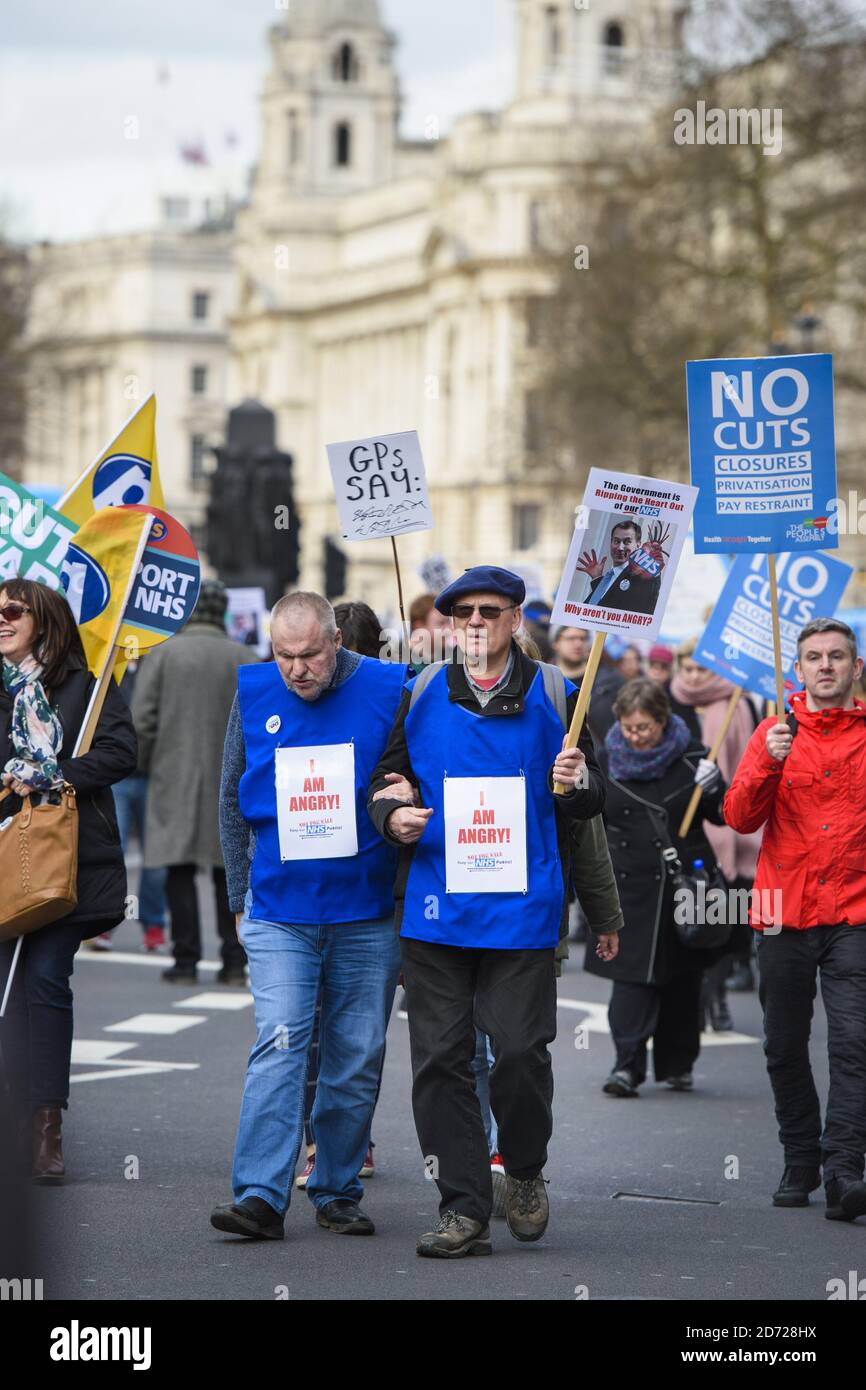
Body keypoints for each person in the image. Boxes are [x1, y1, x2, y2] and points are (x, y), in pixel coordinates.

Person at [368, 566, 608, 1258]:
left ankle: (525, 1170)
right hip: (435, 910)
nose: (473, 621)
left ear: (513, 621)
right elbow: (387, 778)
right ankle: (464, 1209)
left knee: (521, 1056)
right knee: (441, 1062)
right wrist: (394, 814)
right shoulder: (417, 692)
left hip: (522, 911)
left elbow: (591, 800)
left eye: (488, 610)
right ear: (447, 624)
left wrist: (577, 781)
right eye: (461, 612)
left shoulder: (558, 692)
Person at [211, 591, 405, 1241]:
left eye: (310, 655)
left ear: (337, 643)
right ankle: (261, 1196)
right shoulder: (255, 693)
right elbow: (230, 801)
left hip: (366, 909)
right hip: (279, 910)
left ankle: (336, 1188)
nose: (297, 670)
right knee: (281, 1041)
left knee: (355, 1054)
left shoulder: (389, 686)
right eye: (285, 655)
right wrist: (239, 898)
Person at [724, 617, 866, 1221]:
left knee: (854, 1043)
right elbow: (738, 818)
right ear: (798, 669)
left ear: (856, 668)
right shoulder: (772, 733)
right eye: (815, 657)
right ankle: (800, 1157)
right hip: (782, 913)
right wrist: (767, 763)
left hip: (854, 915)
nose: (826, 665)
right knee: (783, 1044)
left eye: (837, 656)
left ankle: (843, 1171)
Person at [0, 578, 137, 1182]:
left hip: (63, 862)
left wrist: (52, 775)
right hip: (3, 856)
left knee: (46, 982)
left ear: (44, 620)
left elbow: (120, 753)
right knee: (7, 993)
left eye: (11, 610)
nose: (0, 619)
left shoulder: (86, 686)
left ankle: (45, 1128)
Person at [585, 677, 727, 1098]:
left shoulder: (694, 759)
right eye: (629, 728)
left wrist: (716, 788)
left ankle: (678, 1064)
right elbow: (589, 815)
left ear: (663, 721)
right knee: (630, 981)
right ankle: (626, 1066)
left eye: (644, 727)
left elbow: (723, 816)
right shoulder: (605, 760)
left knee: (684, 979)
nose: (636, 736)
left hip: (687, 885)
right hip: (628, 887)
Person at [132, 580, 257, 985]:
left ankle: (185, 960)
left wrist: (145, 765)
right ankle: (233, 961)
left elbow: (142, 721)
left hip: (174, 777)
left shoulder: (164, 654)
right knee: (230, 872)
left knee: (178, 870)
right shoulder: (244, 656)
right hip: (232, 782)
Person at [670, 642, 763, 1026]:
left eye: (701, 669)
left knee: (723, 919)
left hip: (729, 827)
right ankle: (697, 1000)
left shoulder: (738, 704)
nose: (693, 677)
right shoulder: (673, 702)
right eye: (687, 668)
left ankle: (718, 996)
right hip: (684, 826)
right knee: (689, 923)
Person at [111, 656, 168, 953]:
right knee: (114, 851)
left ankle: (153, 922)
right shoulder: (111, 665)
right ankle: (107, 923)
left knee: (155, 858)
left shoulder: (158, 664)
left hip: (153, 775)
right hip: (117, 776)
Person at [574, 518, 663, 616]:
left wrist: (653, 569)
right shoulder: (608, 577)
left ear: (638, 545)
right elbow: (607, 602)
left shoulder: (641, 577)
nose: (620, 547)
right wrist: (597, 579)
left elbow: (646, 597)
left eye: (627, 542)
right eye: (616, 541)